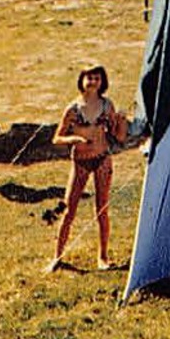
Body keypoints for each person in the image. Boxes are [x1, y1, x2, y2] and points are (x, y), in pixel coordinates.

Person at [49, 65, 128, 272]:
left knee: (102, 209)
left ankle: (103, 257)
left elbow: (118, 137)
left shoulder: (107, 105)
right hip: (80, 162)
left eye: (97, 78)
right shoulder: (73, 109)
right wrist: (73, 138)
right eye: (89, 78)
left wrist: (122, 120)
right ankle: (57, 256)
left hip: (102, 159)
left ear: (102, 82)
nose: (93, 82)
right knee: (69, 209)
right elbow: (57, 137)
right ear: (81, 80)